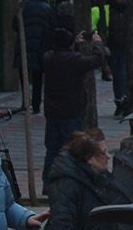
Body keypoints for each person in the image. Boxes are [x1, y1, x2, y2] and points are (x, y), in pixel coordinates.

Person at [30, 128, 115, 230]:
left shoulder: (98, 177)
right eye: (103, 153)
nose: (108, 157)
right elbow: (63, 227)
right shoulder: (67, 184)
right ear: (89, 159)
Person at [41, 28, 106, 183]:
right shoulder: (75, 60)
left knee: (52, 150)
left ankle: (48, 181)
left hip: (52, 111)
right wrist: (97, 43)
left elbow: (66, 59)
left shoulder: (48, 57)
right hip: (71, 111)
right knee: (73, 148)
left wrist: (75, 45)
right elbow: (97, 60)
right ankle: (69, 180)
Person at [17, 0, 54, 114]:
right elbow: (52, 26)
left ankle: (26, 103)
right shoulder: (47, 8)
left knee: (24, 76)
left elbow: (15, 24)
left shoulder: (24, 7)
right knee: (38, 78)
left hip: (24, 46)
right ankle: (36, 105)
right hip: (40, 47)